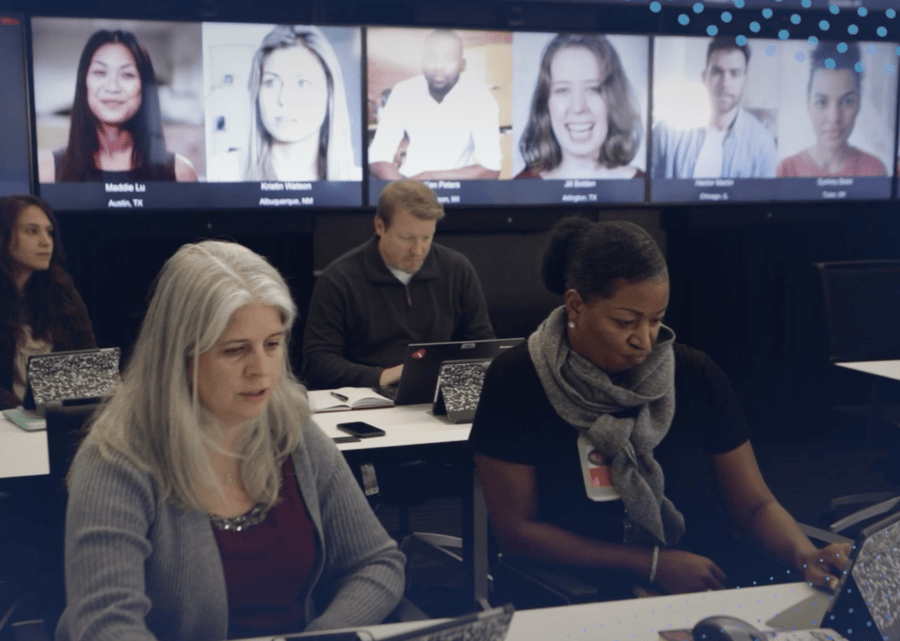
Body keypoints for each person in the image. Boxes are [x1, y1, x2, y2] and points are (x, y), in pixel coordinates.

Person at [469, 216, 851, 602]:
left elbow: (754, 506)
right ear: (575, 305)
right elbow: (517, 532)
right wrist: (651, 563)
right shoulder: (517, 379)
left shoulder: (693, 374)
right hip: (580, 587)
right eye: (625, 322)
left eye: (656, 321)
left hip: (705, 578)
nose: (644, 340)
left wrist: (805, 556)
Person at [57, 241, 405, 641]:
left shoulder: (295, 434)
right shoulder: (116, 460)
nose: (261, 370)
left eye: (272, 345)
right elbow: (106, 626)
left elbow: (376, 563)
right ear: (181, 357)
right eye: (236, 350)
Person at [302, 179, 495, 390]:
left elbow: (483, 345)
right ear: (379, 226)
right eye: (406, 238)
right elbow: (318, 363)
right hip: (367, 397)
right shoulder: (339, 279)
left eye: (426, 237)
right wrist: (383, 376)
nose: (419, 250)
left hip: (438, 393)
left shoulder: (457, 270)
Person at [38, 29, 198, 183]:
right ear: (84, 83)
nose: (112, 87)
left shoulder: (180, 172)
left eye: (127, 75)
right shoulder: (47, 171)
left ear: (144, 88)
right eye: (100, 72)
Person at [207, 25, 361, 182]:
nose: (283, 99)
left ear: (330, 92)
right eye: (271, 82)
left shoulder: (356, 179)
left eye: (302, 83)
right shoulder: (224, 173)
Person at [0, 195, 96, 410]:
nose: (46, 242)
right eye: (32, 231)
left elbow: (88, 363)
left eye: (49, 232)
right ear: (3, 237)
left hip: (55, 419)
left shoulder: (61, 290)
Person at [368, 30, 502, 181]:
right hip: (408, 184)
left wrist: (429, 177)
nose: (439, 66)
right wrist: (405, 190)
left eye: (448, 58)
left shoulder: (479, 97)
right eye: (432, 57)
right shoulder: (404, 92)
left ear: (461, 64)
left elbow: (491, 169)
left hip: (458, 188)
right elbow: (378, 157)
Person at [516, 34, 643, 180]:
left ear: (614, 101)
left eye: (593, 89)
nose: (578, 107)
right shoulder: (519, 186)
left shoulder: (644, 183)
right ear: (546, 104)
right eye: (562, 89)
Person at [651, 38, 777, 179]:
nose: (725, 83)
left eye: (735, 74)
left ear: (744, 81)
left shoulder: (763, 144)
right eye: (717, 72)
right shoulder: (665, 133)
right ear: (704, 77)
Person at [777, 42, 886, 178]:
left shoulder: (875, 170)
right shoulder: (787, 170)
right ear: (808, 104)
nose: (834, 117)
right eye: (821, 102)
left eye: (847, 101)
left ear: (858, 104)